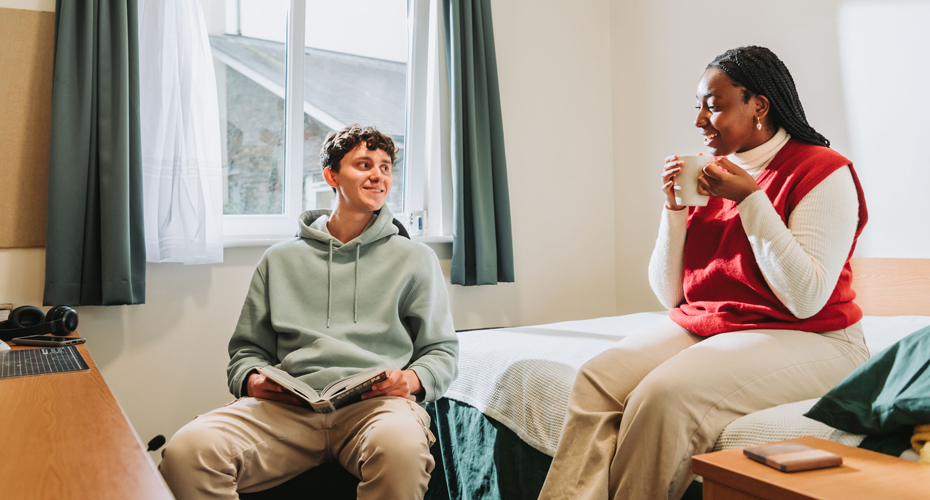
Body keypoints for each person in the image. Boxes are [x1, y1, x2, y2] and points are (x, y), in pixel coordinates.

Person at [538, 46, 869, 500]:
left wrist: (751, 201)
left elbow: (805, 297)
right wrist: (673, 212)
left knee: (663, 397)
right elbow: (671, 298)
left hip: (815, 336)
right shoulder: (712, 173)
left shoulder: (823, 172)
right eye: (698, 107)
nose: (699, 121)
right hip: (719, 324)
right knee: (597, 378)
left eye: (713, 106)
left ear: (759, 106)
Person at [159, 125, 459, 500]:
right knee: (188, 452)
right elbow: (246, 352)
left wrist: (410, 381)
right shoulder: (280, 259)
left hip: (377, 410)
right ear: (331, 176)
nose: (378, 176)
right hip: (288, 410)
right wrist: (252, 381)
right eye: (364, 164)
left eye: (385, 167)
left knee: (400, 450)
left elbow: (442, 351)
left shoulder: (415, 259)